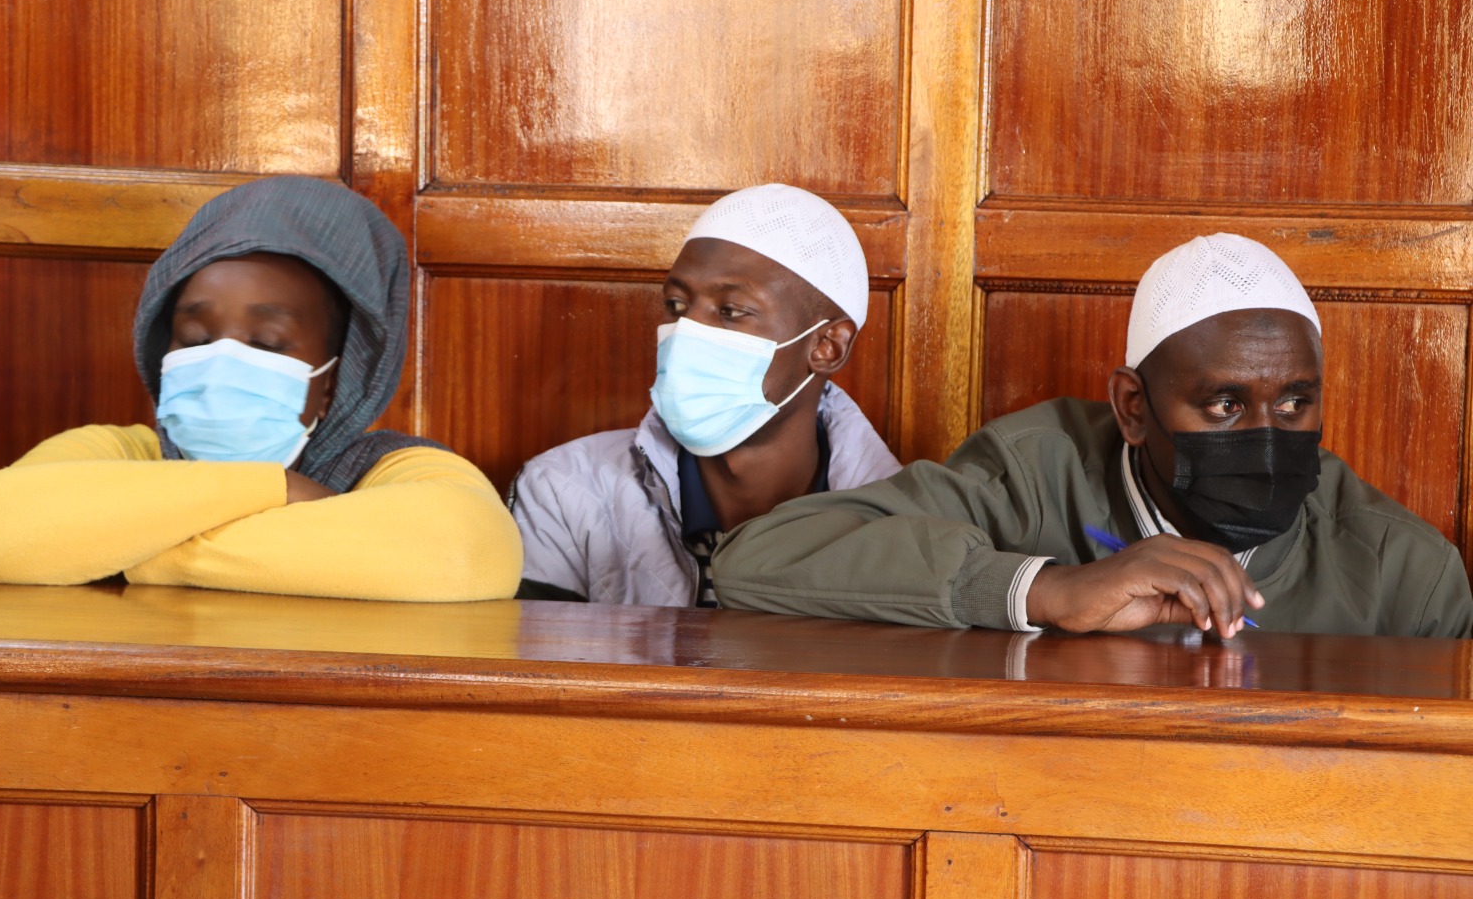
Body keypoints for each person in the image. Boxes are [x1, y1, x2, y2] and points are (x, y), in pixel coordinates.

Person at [713, 233, 1473, 638]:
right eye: (1224, 405)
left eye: (1295, 403)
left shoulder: (1402, 574)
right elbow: (755, 560)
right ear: (1132, 407)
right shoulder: (1031, 474)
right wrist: (1044, 589)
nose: (1267, 437)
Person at [0, 176, 522, 602]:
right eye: (194, 337)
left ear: (335, 380)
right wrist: (276, 488)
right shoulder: (121, 450)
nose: (221, 359)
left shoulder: (393, 469)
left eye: (266, 343)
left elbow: (467, 555)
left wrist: (127, 547)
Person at [508, 183, 901, 606]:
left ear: (827, 346)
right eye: (676, 306)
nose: (686, 331)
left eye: (730, 311)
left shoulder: (899, 524)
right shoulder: (567, 490)